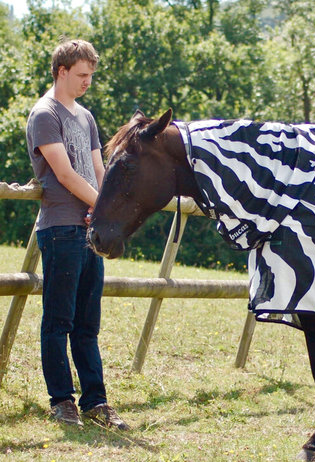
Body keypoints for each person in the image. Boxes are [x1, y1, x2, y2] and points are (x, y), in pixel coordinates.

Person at [26, 39, 129, 430]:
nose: (88, 82)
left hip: (89, 231)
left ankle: (96, 402)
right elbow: (65, 174)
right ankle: (62, 401)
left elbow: (98, 170)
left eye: (91, 75)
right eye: (82, 75)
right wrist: (99, 208)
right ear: (62, 71)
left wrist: (105, 212)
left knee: (88, 323)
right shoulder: (44, 114)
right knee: (59, 320)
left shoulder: (86, 117)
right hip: (61, 229)